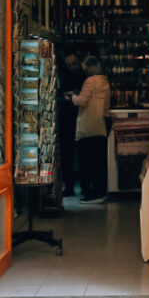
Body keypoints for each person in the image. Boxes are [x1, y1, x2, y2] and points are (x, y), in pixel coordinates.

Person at [70, 56, 111, 203]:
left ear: (88, 68)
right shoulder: (104, 81)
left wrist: (73, 96)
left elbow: (82, 101)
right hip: (101, 125)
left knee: (86, 161)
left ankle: (90, 194)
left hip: (88, 126)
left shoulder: (90, 81)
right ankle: (101, 192)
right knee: (99, 161)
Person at [58, 49, 85, 196]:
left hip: (80, 118)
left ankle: (81, 186)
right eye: (69, 65)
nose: (72, 67)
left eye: (74, 63)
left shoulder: (84, 76)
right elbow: (60, 96)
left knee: (83, 154)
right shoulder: (66, 77)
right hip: (68, 121)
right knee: (67, 155)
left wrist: (72, 96)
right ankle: (69, 186)